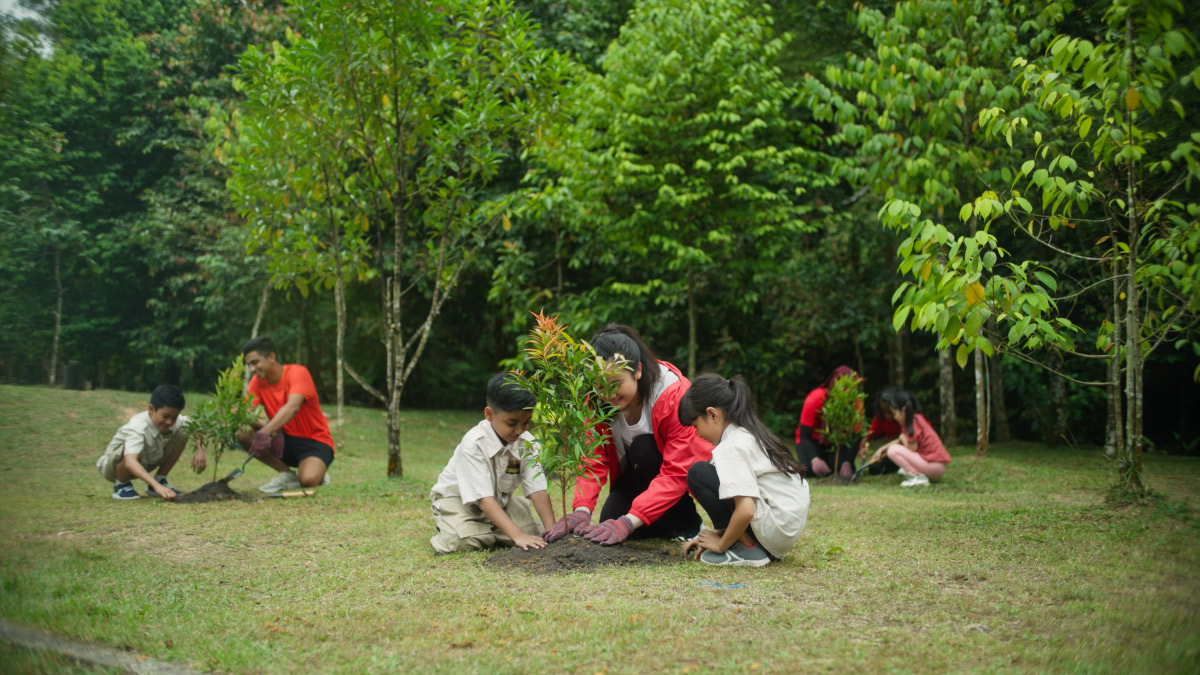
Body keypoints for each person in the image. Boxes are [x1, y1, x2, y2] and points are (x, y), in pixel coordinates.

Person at [541, 324, 712, 546]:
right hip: (632, 478)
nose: (607, 394)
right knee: (607, 527)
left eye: (615, 384)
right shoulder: (594, 401)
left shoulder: (673, 395)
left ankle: (686, 524)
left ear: (638, 370)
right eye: (598, 386)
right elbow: (593, 459)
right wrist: (582, 509)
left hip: (671, 476)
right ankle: (652, 521)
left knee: (644, 448)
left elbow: (678, 471)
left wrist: (629, 522)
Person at [679, 374, 809, 567]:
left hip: (773, 528)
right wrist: (719, 533)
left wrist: (720, 544)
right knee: (710, 473)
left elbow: (746, 510)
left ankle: (746, 548)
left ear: (713, 414)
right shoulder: (748, 433)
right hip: (783, 531)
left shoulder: (732, 446)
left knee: (699, 474)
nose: (698, 434)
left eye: (696, 425)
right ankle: (743, 540)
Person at [429, 372, 556, 553]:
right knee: (466, 541)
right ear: (489, 414)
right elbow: (483, 498)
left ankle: (491, 527)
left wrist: (553, 532)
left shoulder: (527, 442)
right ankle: (454, 526)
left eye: (527, 422)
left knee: (537, 533)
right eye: (512, 423)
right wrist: (517, 536)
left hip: (499, 502)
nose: (520, 430)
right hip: (459, 501)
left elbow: (537, 488)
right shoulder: (474, 444)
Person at [239, 336, 334, 493]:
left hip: (314, 441)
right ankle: (286, 474)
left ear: (271, 357)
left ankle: (317, 471)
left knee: (308, 480)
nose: (252, 369)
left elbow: (292, 407)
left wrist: (266, 431)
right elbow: (247, 413)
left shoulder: (298, 373)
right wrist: (267, 428)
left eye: (255, 363)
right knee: (242, 432)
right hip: (283, 440)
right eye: (249, 365)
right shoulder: (257, 382)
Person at [95, 384, 206, 500]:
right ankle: (121, 485)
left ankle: (160, 479)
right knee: (128, 448)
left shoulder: (176, 421)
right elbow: (130, 461)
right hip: (114, 467)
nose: (169, 422)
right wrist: (157, 486)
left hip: (146, 461)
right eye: (166, 416)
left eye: (174, 417)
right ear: (151, 409)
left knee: (183, 432)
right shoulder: (138, 426)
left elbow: (194, 426)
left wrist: (200, 449)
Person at [865, 390, 951, 487]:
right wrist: (882, 449)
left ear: (903, 410)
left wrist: (897, 441)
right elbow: (900, 441)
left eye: (895, 414)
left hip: (934, 466)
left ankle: (916, 476)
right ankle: (916, 474)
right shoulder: (914, 419)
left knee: (893, 451)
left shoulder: (913, 422)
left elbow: (911, 448)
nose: (894, 418)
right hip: (937, 466)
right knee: (893, 449)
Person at [794, 365, 863, 479]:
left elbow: (856, 435)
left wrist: (848, 461)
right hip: (811, 440)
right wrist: (814, 459)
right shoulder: (816, 398)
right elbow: (804, 434)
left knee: (839, 467)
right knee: (809, 470)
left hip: (837, 442)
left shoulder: (855, 402)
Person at [857, 387, 905, 476]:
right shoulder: (880, 418)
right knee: (874, 467)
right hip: (892, 453)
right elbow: (868, 436)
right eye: (884, 412)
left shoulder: (903, 417)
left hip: (908, 452)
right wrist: (863, 447)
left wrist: (884, 449)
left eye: (890, 412)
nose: (887, 416)